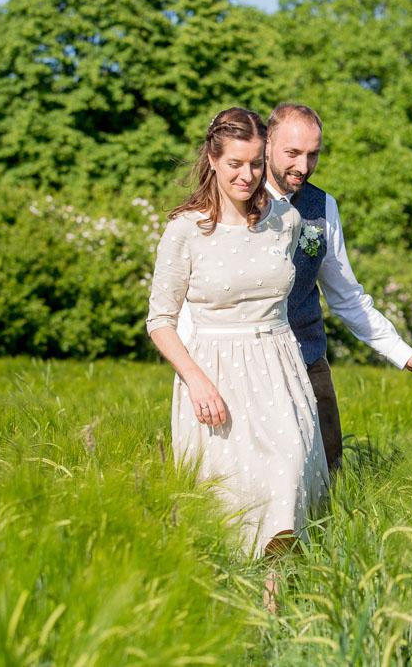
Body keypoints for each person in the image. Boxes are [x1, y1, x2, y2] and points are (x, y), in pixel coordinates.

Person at [146, 107, 329, 566]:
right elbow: (160, 321)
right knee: (230, 493)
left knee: (288, 471)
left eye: (253, 164)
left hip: (279, 367)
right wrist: (196, 380)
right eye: (235, 164)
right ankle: (230, 593)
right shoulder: (184, 231)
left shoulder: (286, 222)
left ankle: (277, 595)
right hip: (215, 371)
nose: (246, 176)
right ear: (212, 158)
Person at [261, 103, 412, 473]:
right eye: (292, 153)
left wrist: (404, 354)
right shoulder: (238, 198)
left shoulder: (322, 206)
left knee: (329, 469)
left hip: (307, 357)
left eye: (313, 155)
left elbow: (346, 297)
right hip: (252, 362)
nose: (303, 166)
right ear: (267, 144)